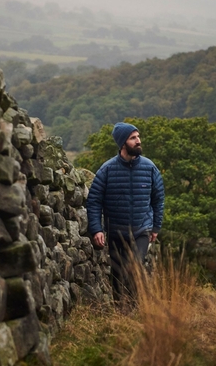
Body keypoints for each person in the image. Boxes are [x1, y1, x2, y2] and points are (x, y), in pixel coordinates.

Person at [87, 122, 165, 303]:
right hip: (116, 231)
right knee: (117, 275)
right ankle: (120, 311)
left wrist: (156, 227)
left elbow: (158, 199)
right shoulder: (106, 170)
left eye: (138, 136)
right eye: (133, 138)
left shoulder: (150, 168)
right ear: (123, 143)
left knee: (135, 267)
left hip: (141, 230)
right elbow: (94, 201)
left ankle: (133, 309)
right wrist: (96, 229)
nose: (138, 141)